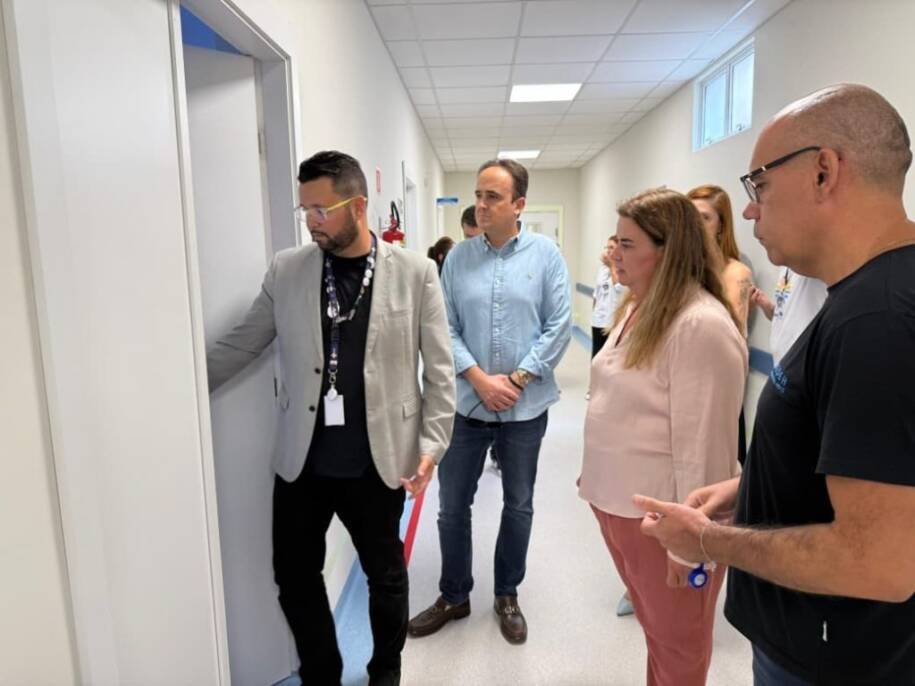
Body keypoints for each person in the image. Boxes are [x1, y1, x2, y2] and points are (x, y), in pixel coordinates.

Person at [635, 84, 915, 686]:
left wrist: (710, 541)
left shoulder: (878, 321)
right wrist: (751, 488)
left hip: (836, 659)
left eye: (758, 185)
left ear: (823, 172)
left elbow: (880, 562)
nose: (752, 210)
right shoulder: (864, 298)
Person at [206, 150, 456, 686]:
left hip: (378, 459)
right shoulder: (288, 269)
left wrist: (431, 447)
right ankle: (322, 671)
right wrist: (176, 386)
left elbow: (440, 370)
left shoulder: (415, 273)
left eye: (321, 209)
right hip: (303, 461)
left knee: (385, 577)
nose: (311, 221)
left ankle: (385, 669)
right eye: (305, 211)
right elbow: (243, 342)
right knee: (293, 576)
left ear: (358, 205)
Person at [579, 188, 747, 686]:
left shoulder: (700, 325)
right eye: (616, 241)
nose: (614, 253)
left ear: (667, 251)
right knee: (657, 633)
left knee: (679, 649)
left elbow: (707, 452)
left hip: (665, 524)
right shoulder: (640, 306)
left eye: (627, 244)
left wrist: (688, 546)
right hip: (620, 507)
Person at [409, 158, 571, 645]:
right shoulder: (458, 258)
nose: (480, 205)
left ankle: (507, 594)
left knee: (518, 504)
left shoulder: (546, 256)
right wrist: (480, 379)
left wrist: (517, 379)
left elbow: (559, 324)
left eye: (492, 197)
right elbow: (444, 328)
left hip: (525, 409)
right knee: (452, 506)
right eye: (477, 196)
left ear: (519, 205)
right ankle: (454, 594)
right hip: (468, 406)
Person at [687, 184, 753, 464]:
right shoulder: (681, 270)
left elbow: (729, 338)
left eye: (704, 218)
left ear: (721, 226)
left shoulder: (736, 273)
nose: (696, 226)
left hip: (714, 388)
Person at [750, 268, 827, 365]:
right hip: (780, 362)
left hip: (800, 364)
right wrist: (767, 306)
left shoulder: (810, 272)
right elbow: (781, 316)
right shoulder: (785, 269)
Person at [591, 235, 626, 358]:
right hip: (598, 321)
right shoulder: (602, 268)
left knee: (608, 360)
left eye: (612, 247)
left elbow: (619, 288)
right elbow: (597, 293)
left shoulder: (623, 268)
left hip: (612, 323)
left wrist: (612, 266)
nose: (608, 251)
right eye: (607, 247)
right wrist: (594, 312)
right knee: (595, 358)